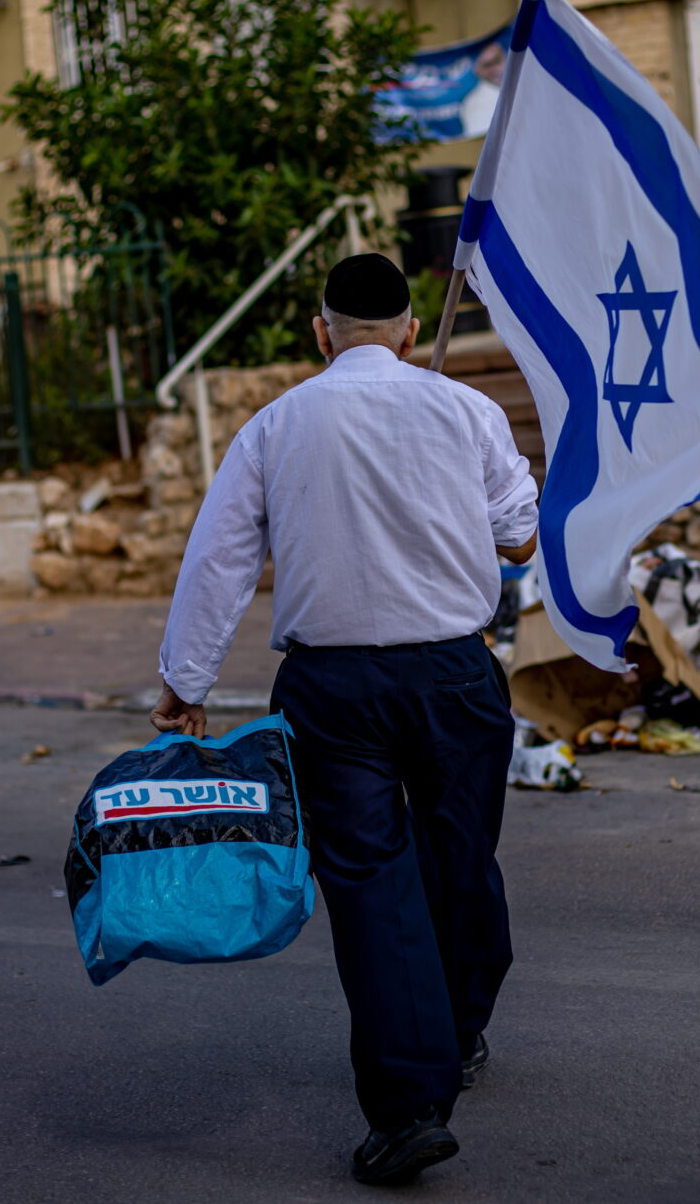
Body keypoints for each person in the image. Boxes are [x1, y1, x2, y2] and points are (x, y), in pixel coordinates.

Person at [151, 251, 539, 1186]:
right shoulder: (468, 410)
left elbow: (219, 558)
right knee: (460, 859)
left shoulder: (275, 425)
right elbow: (521, 536)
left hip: (330, 691)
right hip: (455, 676)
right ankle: (460, 1029)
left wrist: (185, 682)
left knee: (371, 889)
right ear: (411, 332)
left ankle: (407, 1107)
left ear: (320, 333)